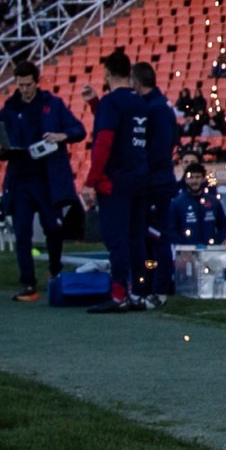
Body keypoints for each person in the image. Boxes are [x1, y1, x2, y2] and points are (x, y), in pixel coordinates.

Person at [0, 59, 85, 303]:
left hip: (47, 179)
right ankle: (28, 284)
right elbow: (2, 146)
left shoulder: (52, 105)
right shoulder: (8, 109)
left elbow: (79, 130)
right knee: (22, 233)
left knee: (53, 229)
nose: (24, 89)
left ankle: (54, 270)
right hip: (20, 179)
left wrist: (61, 136)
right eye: (20, 85)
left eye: (28, 84)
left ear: (36, 82)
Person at [82, 49, 153, 311]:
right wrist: (95, 105)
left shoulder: (112, 103)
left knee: (117, 240)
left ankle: (118, 294)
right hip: (138, 178)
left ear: (108, 74)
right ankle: (138, 292)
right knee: (136, 239)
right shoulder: (139, 102)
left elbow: (104, 143)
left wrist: (90, 181)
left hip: (115, 182)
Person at [131, 62, 182, 295]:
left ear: (137, 83)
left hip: (157, 183)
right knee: (149, 237)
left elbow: (160, 149)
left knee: (157, 236)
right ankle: (151, 282)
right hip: (153, 181)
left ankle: (160, 286)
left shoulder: (157, 109)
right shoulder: (156, 106)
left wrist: (142, 171)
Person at [167, 158, 226, 247]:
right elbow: (171, 231)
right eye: (191, 177)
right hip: (186, 253)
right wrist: (186, 245)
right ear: (185, 179)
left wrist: (214, 242)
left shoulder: (213, 202)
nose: (194, 181)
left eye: (197, 177)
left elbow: (224, 228)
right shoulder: (177, 203)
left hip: (210, 252)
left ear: (203, 179)